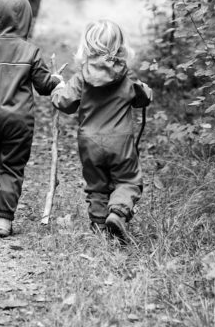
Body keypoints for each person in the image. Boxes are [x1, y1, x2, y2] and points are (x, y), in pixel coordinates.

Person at [0, 0, 62, 237]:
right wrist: (56, 80)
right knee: (12, 167)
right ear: (26, 20)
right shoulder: (31, 52)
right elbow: (42, 85)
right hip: (19, 122)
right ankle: (3, 220)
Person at [51, 20, 152, 242]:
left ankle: (99, 227)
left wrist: (58, 87)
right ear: (120, 47)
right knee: (128, 181)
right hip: (120, 141)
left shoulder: (81, 77)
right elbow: (142, 98)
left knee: (96, 186)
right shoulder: (126, 76)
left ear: (86, 46)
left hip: (90, 143)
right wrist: (146, 89)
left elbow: (64, 103)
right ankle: (117, 213)